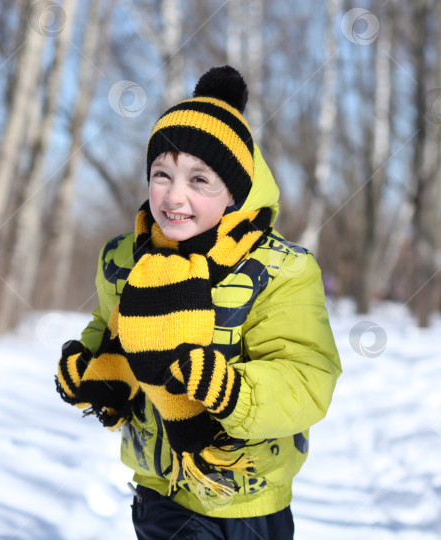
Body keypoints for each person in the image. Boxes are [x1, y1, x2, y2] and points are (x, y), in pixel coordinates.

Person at [56, 65, 341, 540]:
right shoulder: (126, 259)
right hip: (160, 493)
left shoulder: (278, 269)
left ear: (234, 192)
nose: (174, 196)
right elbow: (109, 329)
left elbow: (307, 377)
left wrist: (230, 390)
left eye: (199, 180)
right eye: (161, 174)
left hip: (249, 496)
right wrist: (88, 369)